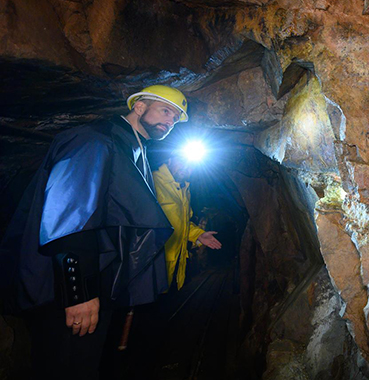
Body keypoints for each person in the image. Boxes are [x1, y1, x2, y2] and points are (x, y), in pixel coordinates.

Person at [0, 85, 189, 379]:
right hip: (65, 293)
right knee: (66, 368)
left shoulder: (131, 147)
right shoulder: (95, 140)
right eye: (166, 110)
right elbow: (68, 218)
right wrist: (78, 293)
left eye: (176, 117)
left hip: (99, 286)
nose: (171, 121)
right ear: (139, 106)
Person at [153, 153, 222, 291]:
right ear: (169, 159)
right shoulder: (152, 180)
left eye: (191, 166)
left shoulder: (184, 188)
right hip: (153, 266)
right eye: (182, 161)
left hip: (174, 265)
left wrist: (198, 235)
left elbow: (183, 222)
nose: (186, 168)